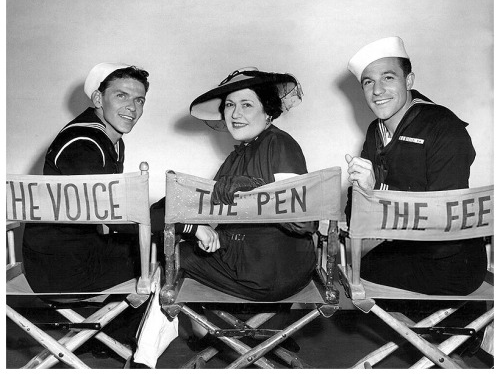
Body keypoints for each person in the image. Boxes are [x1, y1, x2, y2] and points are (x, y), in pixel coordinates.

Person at [150, 67, 317, 350]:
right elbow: (207, 208)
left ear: (268, 111)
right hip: (258, 261)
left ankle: (201, 336)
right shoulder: (236, 155)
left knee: (171, 252)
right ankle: (266, 333)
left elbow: (304, 224)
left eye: (246, 104)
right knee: (169, 219)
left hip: (272, 268)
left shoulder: (281, 145)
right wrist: (193, 223)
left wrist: (256, 191)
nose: (235, 114)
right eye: (229, 105)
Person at [21, 62, 151, 358]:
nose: (132, 107)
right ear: (97, 99)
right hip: (60, 269)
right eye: (121, 96)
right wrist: (176, 221)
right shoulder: (83, 143)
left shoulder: (108, 139)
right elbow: (113, 212)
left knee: (154, 247)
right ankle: (133, 351)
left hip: (73, 253)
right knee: (160, 253)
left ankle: (109, 338)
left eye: (139, 99)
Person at [345, 36, 486, 295]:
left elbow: (443, 221)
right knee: (353, 269)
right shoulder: (374, 131)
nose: (377, 91)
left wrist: (375, 194)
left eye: (388, 78)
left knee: (357, 273)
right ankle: (422, 333)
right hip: (408, 246)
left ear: (409, 81)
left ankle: (439, 332)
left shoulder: (444, 128)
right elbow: (356, 211)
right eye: (368, 82)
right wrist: (362, 196)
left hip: (450, 259)